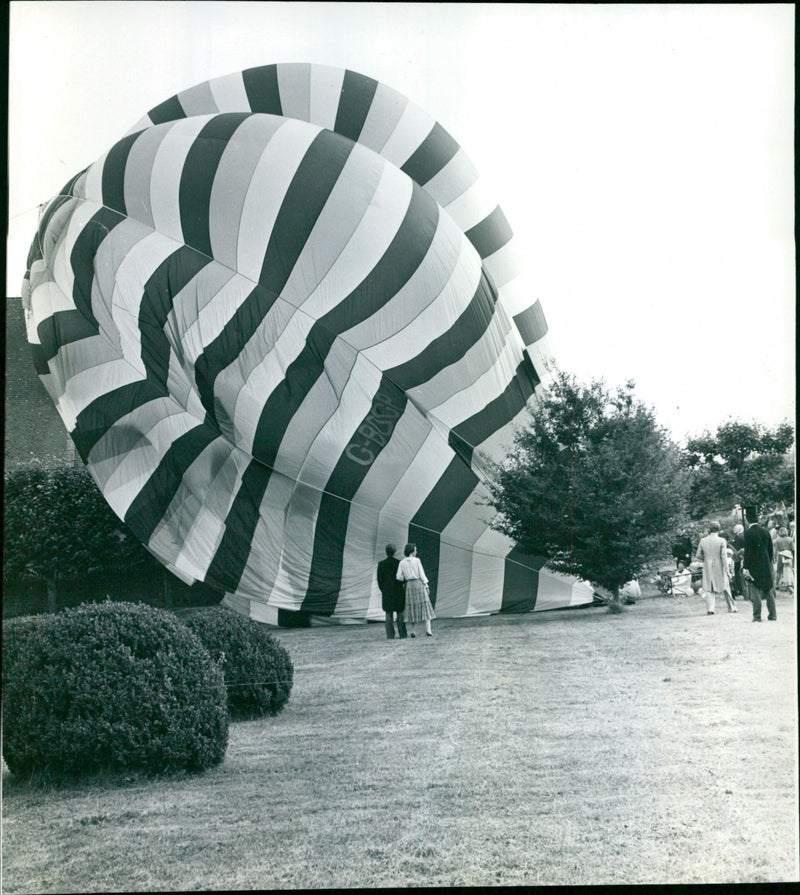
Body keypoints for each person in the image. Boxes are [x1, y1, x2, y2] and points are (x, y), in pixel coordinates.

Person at [695, 521, 736, 614]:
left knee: (710, 587)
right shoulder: (722, 540)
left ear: (709, 529)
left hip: (707, 565)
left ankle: (710, 609)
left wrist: (706, 559)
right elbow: (723, 556)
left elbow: (698, 555)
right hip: (719, 565)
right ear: (718, 529)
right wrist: (727, 570)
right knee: (725, 586)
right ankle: (731, 607)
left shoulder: (703, 540)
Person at [396, 543, 435, 638]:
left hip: (409, 585)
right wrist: (426, 585)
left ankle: (413, 631)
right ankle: (428, 630)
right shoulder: (417, 560)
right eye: (415, 550)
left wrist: (405, 578)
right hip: (418, 584)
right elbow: (422, 574)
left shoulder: (402, 562)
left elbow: (398, 577)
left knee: (411, 607)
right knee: (425, 606)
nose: (416, 552)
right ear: (412, 551)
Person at [743, 515, 776, 621]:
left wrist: (745, 566)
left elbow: (747, 552)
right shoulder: (766, 532)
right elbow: (770, 549)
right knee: (768, 589)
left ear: (748, 520)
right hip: (765, 563)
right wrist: (768, 561)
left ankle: (757, 616)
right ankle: (773, 614)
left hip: (753, 564)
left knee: (755, 589)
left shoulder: (748, 533)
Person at [376, 544, 407, 639]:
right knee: (400, 613)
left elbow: (379, 580)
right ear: (395, 551)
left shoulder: (381, 564)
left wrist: (384, 590)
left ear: (386, 552)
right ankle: (402, 634)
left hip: (387, 592)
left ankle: (390, 635)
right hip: (398, 591)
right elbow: (403, 578)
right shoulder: (399, 563)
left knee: (388, 613)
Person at [774, 526, 794, 592]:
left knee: (779, 570)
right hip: (789, 555)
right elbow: (793, 549)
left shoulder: (777, 540)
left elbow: (776, 550)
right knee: (790, 569)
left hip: (780, 555)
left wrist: (775, 558)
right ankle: (790, 583)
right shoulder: (790, 539)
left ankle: (776, 584)